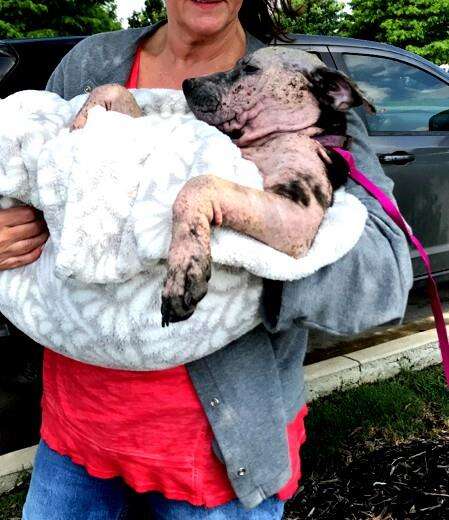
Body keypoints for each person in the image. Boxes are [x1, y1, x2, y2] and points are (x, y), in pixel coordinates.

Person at [8, 0, 413, 518]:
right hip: (76, 438)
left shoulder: (294, 87)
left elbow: (384, 280)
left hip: (218, 462)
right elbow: (31, 167)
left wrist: (243, 251)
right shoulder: (93, 63)